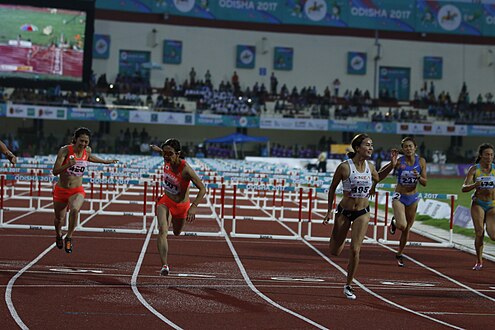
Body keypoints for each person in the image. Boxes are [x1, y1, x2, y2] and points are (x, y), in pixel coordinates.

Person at [323, 134, 398, 300]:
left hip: (362, 213)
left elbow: (378, 177)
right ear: (357, 148)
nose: (371, 148)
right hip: (344, 211)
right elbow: (332, 188)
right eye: (367, 145)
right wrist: (329, 210)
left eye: (372, 145)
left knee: (355, 249)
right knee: (335, 251)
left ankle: (348, 285)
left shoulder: (370, 167)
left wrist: (391, 166)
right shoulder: (344, 167)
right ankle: (337, 237)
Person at [52, 127, 118, 253]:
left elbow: (89, 157)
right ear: (75, 139)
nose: (83, 144)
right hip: (61, 190)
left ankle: (69, 237)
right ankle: (58, 234)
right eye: (81, 141)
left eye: (86, 142)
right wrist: (68, 165)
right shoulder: (65, 150)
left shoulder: (87, 150)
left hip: (77, 190)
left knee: (75, 210)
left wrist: (104, 162)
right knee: (59, 219)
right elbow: (55, 171)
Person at [150, 138, 206, 276]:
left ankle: (176, 224)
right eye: (164, 153)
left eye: (170, 154)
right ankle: (164, 265)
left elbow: (203, 189)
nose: (166, 156)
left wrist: (194, 206)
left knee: (176, 232)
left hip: (181, 206)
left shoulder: (186, 169)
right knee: (163, 230)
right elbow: (163, 152)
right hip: (166, 201)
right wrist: (158, 149)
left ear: (178, 153)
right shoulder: (166, 159)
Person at [389, 137, 427, 267]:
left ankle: (399, 253)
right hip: (400, 196)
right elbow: (389, 171)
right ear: (403, 149)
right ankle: (394, 222)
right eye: (405, 147)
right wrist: (392, 165)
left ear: (415, 147)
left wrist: (419, 177)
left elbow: (425, 182)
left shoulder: (421, 161)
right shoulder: (400, 161)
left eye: (410, 146)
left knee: (407, 229)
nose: (408, 149)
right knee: (402, 225)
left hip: (413, 197)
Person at [461, 143, 495, 271]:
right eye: (487, 154)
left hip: (492, 205)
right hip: (478, 203)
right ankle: (479, 261)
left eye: (491, 155)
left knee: (493, 235)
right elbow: (463, 188)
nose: (489, 157)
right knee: (479, 232)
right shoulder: (474, 169)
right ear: (481, 155)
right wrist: (475, 185)